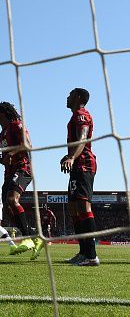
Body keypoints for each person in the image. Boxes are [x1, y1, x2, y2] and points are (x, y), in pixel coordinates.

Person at [0, 102, 44, 258]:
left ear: (3, 113)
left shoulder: (16, 125)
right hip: (9, 173)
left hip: (23, 168)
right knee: (7, 207)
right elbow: (8, 160)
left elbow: (27, 145)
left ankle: (27, 238)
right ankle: (34, 238)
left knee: (12, 200)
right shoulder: (1, 136)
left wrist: (12, 154)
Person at [60, 88, 99, 266]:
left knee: (83, 206)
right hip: (78, 165)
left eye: (69, 95)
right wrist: (68, 156)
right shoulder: (74, 116)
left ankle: (92, 255)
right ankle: (83, 253)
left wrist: (72, 157)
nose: (66, 98)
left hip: (84, 164)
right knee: (74, 208)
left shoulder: (81, 115)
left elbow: (83, 139)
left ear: (77, 97)